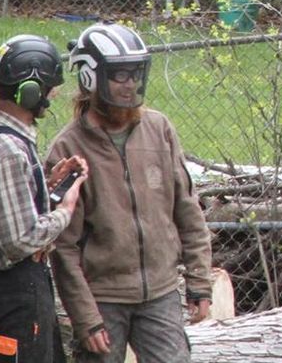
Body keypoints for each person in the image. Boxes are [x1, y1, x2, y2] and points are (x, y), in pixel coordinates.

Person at [49, 23, 215, 363]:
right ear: (91, 79)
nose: (130, 85)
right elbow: (63, 247)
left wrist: (199, 282)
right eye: (119, 75)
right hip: (103, 299)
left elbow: (188, 210)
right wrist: (86, 317)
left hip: (161, 293)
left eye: (135, 75)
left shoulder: (160, 129)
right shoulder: (68, 149)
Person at [0, 34, 91, 363]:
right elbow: (20, 240)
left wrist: (45, 184)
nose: (55, 93)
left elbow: (3, 206)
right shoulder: (8, 152)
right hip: (16, 288)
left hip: (15, 285)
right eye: (50, 87)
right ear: (30, 91)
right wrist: (66, 207)